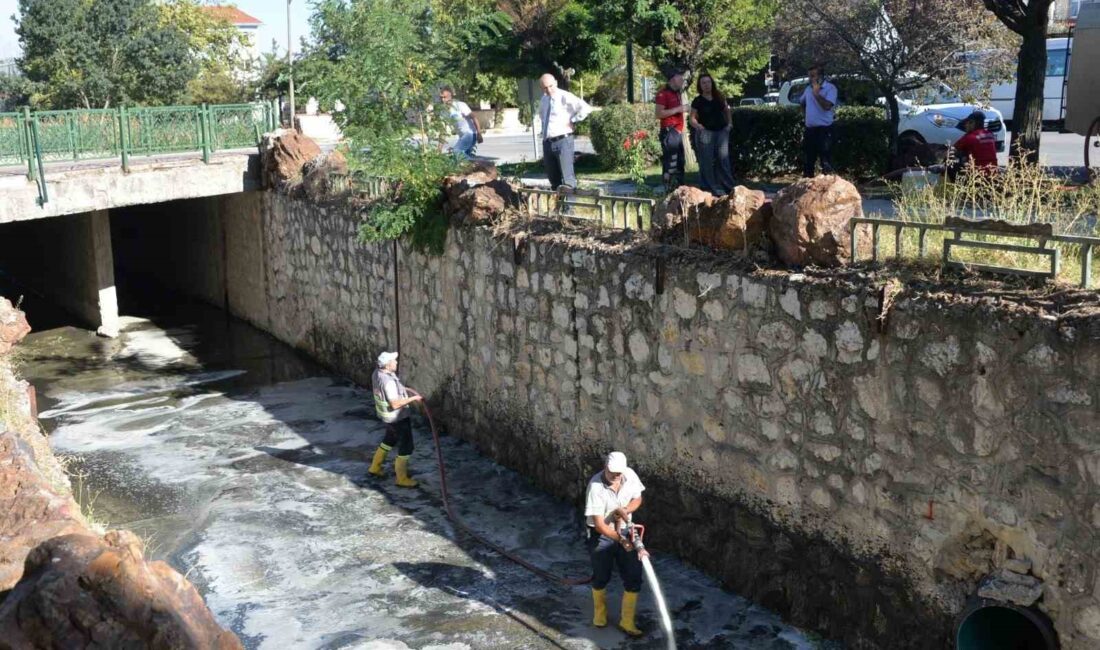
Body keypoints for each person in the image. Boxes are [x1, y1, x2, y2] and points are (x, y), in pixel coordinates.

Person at [584, 451, 646, 637]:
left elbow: (638, 498)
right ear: (605, 467)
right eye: (612, 472)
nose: (616, 476)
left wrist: (625, 510)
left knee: (634, 575)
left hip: (626, 529)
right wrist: (620, 540)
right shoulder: (596, 487)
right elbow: (600, 525)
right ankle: (600, 614)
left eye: (619, 473)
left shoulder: (630, 475)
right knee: (601, 575)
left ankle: (627, 621)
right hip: (601, 534)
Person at [368, 351, 423, 488]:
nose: (396, 362)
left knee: (389, 440)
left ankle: (375, 467)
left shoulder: (377, 373)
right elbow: (395, 404)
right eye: (394, 361)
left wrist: (401, 389)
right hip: (397, 417)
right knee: (406, 446)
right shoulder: (388, 382)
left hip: (387, 417)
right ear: (387, 365)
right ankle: (402, 478)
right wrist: (414, 398)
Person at [538, 73, 593, 201]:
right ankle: (559, 208)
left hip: (563, 141)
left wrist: (573, 120)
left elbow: (585, 108)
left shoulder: (565, 96)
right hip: (548, 142)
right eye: (545, 88)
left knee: (567, 178)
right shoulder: (544, 99)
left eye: (550, 86)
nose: (548, 90)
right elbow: (542, 116)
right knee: (553, 178)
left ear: (555, 83)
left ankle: (570, 210)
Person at [690, 73, 735, 196]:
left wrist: (729, 124)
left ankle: (729, 188)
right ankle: (708, 188)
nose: (706, 85)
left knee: (723, 160)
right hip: (706, 133)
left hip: (721, 132)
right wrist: (698, 126)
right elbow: (692, 118)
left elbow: (727, 111)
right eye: (703, 83)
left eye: (708, 82)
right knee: (706, 161)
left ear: (712, 83)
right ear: (700, 85)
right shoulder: (697, 101)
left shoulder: (719, 97)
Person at [799, 64, 838, 177]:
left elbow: (827, 106)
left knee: (825, 162)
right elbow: (802, 102)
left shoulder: (830, 88)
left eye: (813, 76)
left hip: (824, 130)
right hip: (810, 129)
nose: (810, 79)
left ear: (820, 76)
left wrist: (816, 94)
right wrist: (807, 115)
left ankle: (827, 188)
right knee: (808, 161)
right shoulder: (808, 89)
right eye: (809, 76)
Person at [654, 71, 691, 190]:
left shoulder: (677, 93)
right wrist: (679, 108)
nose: (683, 81)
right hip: (669, 131)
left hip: (677, 131)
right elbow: (658, 114)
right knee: (671, 161)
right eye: (681, 78)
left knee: (680, 161)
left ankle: (679, 189)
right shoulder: (662, 94)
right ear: (673, 79)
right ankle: (669, 189)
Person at [944, 110, 998, 180]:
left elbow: (951, 152)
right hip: (993, 174)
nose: (965, 126)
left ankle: (957, 187)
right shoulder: (991, 135)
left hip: (977, 175)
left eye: (967, 123)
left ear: (973, 123)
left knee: (951, 164)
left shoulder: (969, 137)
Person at [440, 86, 482, 161]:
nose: (443, 100)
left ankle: (480, 164)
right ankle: (478, 167)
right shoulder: (443, 112)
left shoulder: (460, 105)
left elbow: (474, 117)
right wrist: (439, 149)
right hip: (462, 137)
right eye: (441, 98)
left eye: (445, 97)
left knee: (457, 152)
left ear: (450, 96)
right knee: (460, 159)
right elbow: (443, 132)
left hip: (470, 134)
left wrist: (479, 133)